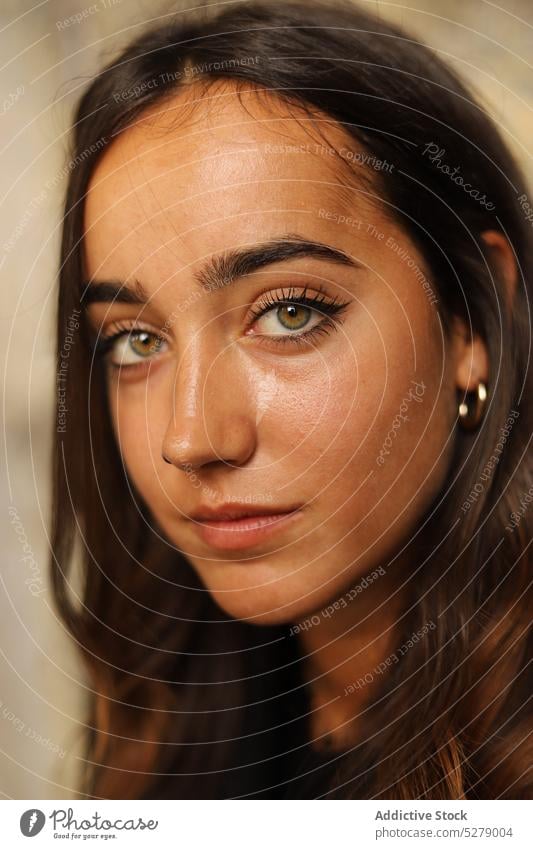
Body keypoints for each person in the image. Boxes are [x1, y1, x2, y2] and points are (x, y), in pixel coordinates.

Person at [51, 0, 532, 799]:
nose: (192, 436)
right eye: (136, 339)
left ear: (471, 313)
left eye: (289, 312)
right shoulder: (171, 743)